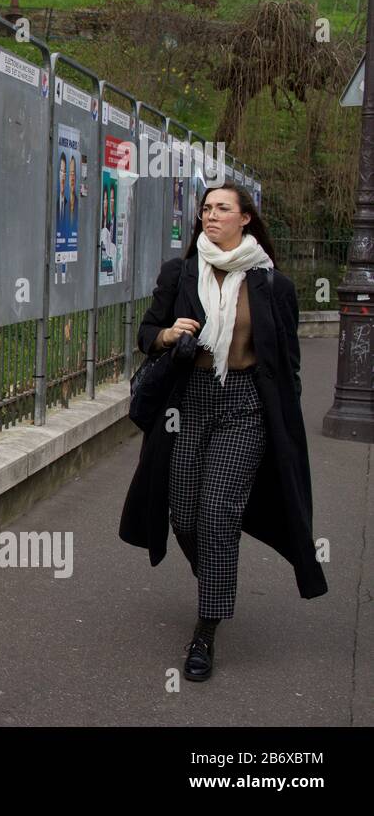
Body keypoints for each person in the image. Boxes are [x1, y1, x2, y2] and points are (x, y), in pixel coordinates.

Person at [121, 181, 326, 684]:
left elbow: (288, 364)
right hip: (187, 405)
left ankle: (205, 631)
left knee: (218, 512)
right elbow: (147, 333)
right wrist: (168, 334)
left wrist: (283, 416)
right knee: (185, 514)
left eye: (222, 209)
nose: (210, 217)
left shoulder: (273, 285)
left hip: (245, 408)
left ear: (246, 218)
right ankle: (215, 575)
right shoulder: (181, 273)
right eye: (206, 209)